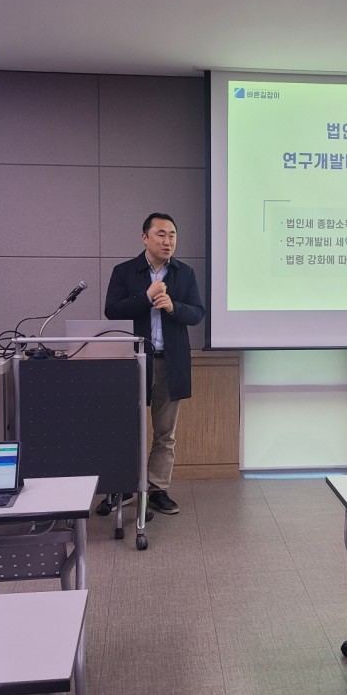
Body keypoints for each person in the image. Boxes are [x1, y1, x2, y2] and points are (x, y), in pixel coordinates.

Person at [105, 212, 205, 516]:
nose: (168, 241)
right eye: (161, 234)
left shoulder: (184, 273)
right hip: (133, 363)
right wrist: (146, 297)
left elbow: (197, 313)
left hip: (170, 363)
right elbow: (112, 311)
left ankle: (157, 489)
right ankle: (125, 486)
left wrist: (174, 307)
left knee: (165, 433)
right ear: (145, 237)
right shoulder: (125, 272)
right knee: (127, 429)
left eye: (172, 235)